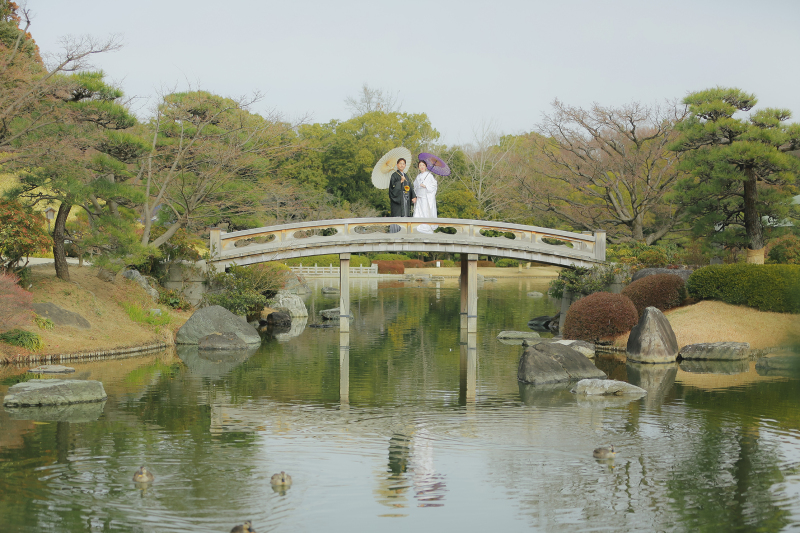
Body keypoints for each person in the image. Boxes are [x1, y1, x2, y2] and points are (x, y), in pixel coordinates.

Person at [412, 160, 438, 233]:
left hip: (426, 197)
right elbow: (415, 186)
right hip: (419, 197)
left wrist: (426, 186)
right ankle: (417, 228)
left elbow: (434, 185)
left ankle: (426, 228)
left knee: (425, 212)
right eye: (420, 165)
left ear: (426, 166)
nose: (422, 167)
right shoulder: (418, 176)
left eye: (423, 165)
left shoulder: (429, 175)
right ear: (418, 167)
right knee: (418, 212)